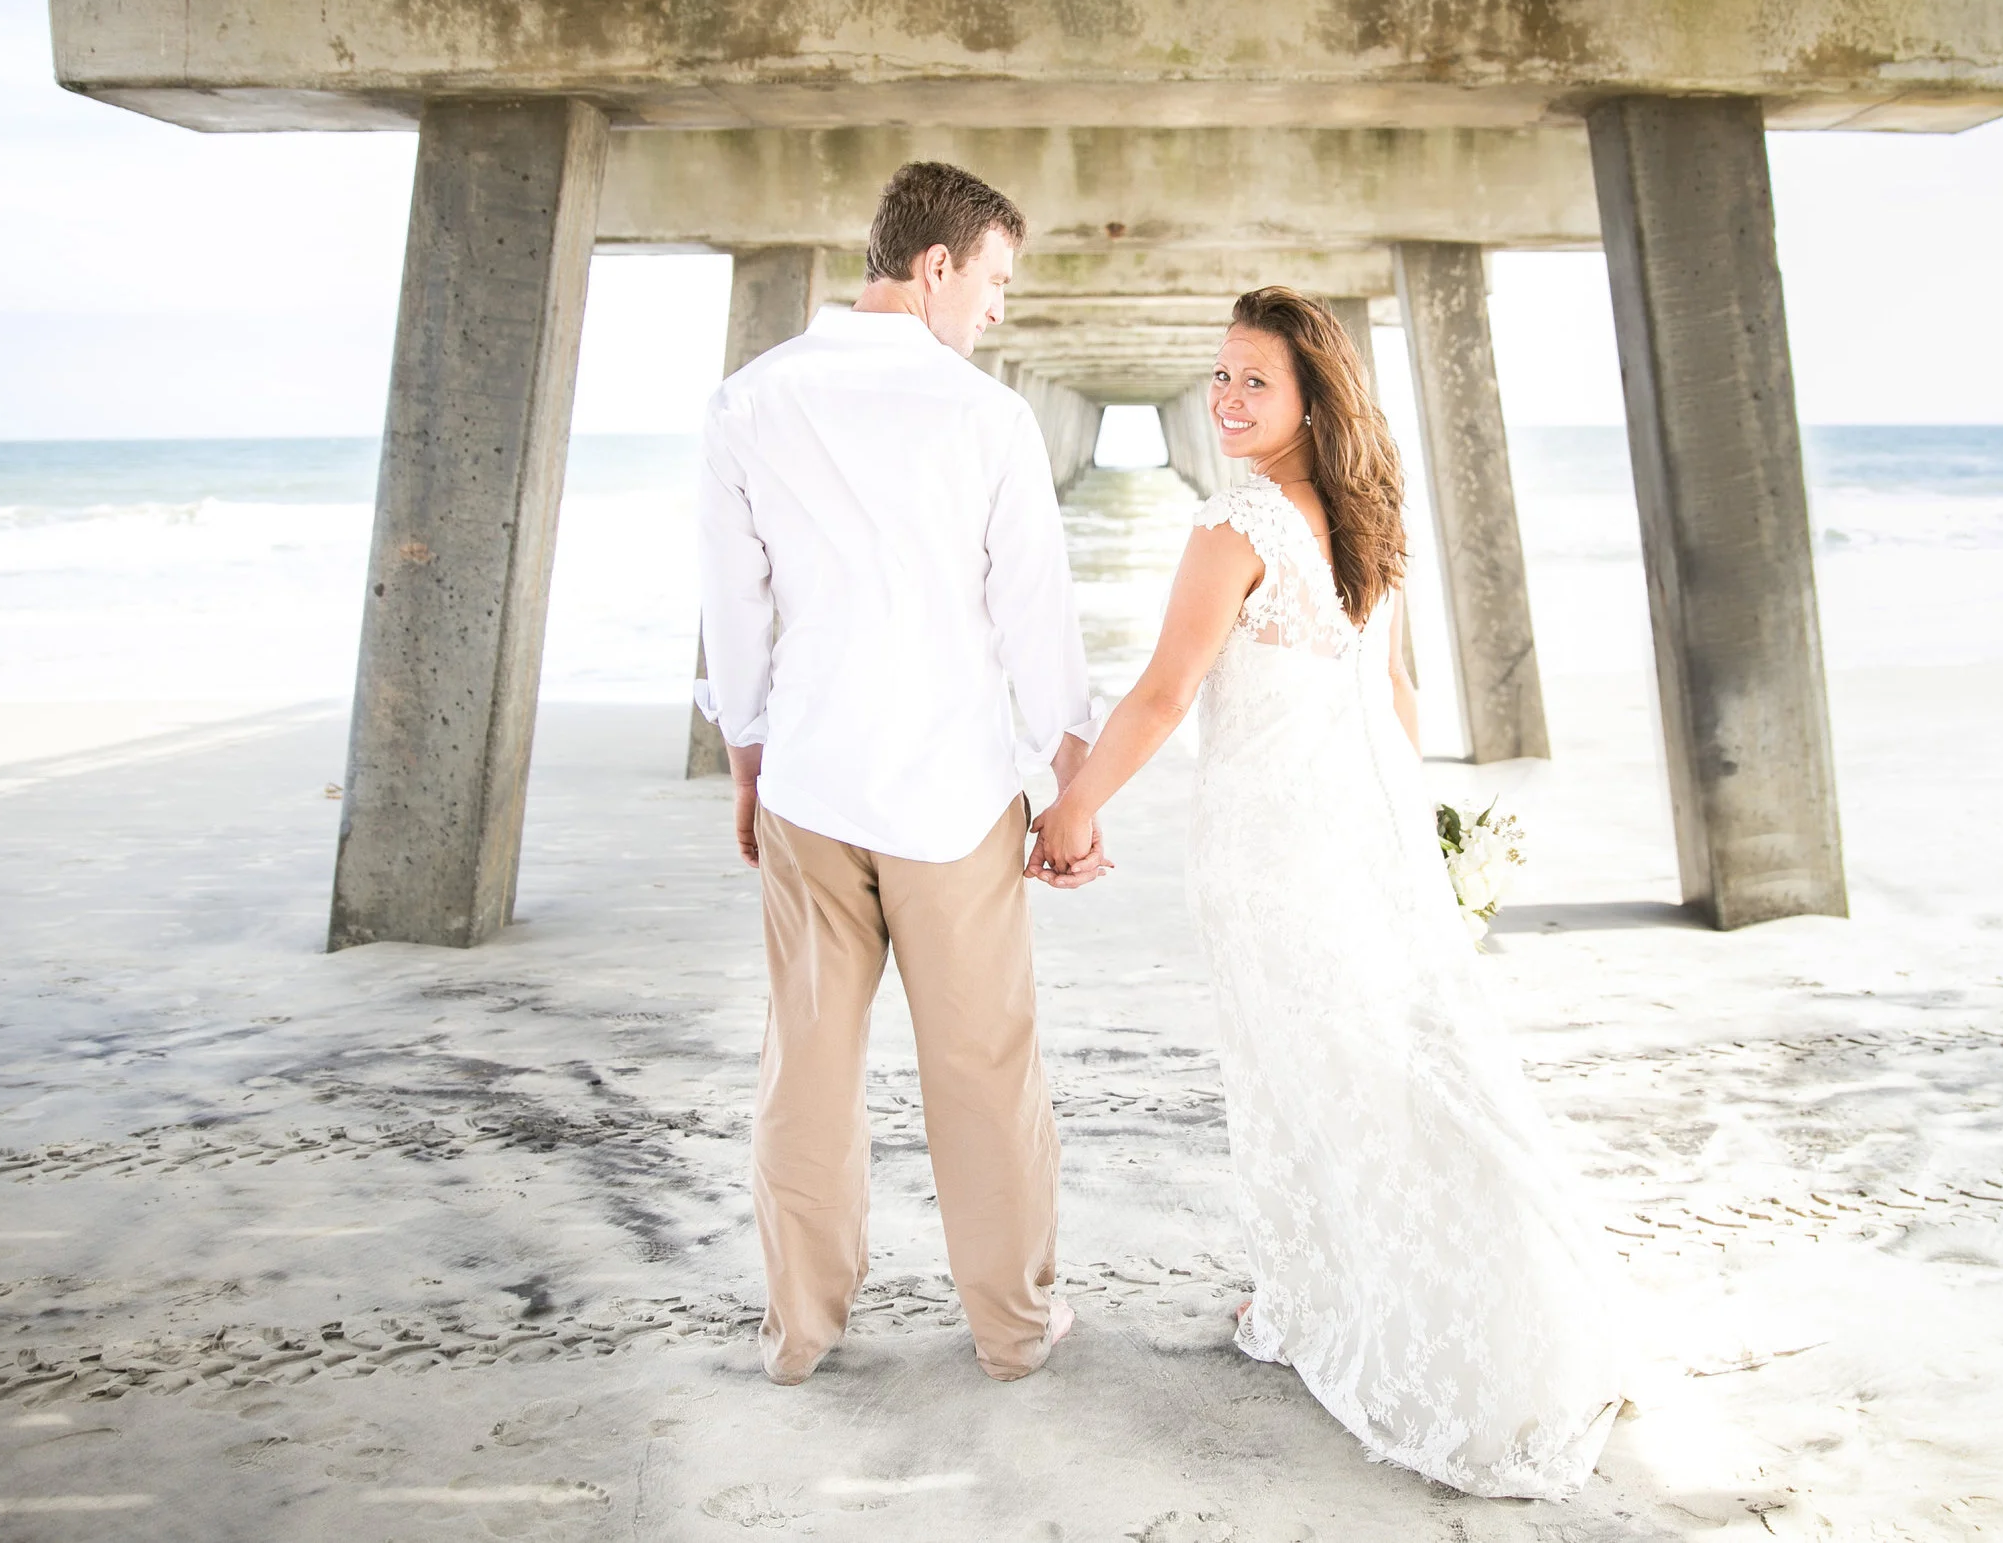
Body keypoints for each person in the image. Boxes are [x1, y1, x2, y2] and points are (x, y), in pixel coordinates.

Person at [1028, 288, 1624, 1497]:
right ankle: (1319, 1282)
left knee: (1306, 1071)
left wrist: (1075, 803)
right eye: (1221, 376)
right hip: (1356, 834)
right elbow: (1394, 696)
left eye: (1254, 380)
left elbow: (1161, 694)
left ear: (1311, 397)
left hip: (1269, 849)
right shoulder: (1367, 517)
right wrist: (1415, 841)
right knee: (1370, 1066)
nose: (1227, 400)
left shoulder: (1233, 527)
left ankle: (1328, 1294)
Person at [694, 161, 1107, 1387]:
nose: (995, 311)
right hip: (953, 794)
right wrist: (1068, 783)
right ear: (935, 266)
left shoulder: (749, 402)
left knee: (806, 1065)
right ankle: (1011, 1328)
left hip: (813, 784)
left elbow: (734, 612)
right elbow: (1033, 620)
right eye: (991, 281)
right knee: (983, 1069)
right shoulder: (984, 418)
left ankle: (800, 1330)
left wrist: (747, 760)